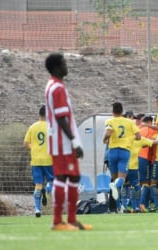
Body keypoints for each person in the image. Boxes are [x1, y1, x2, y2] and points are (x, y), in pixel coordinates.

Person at [44, 53, 91, 231]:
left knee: (73, 177)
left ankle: (71, 219)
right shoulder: (57, 88)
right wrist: (74, 141)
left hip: (61, 141)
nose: (66, 66)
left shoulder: (54, 86)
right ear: (56, 68)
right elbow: (62, 118)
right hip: (62, 142)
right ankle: (57, 221)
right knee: (62, 177)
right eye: (64, 63)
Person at [103, 102, 141, 211]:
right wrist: (129, 138)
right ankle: (119, 206)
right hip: (124, 151)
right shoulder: (129, 122)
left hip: (112, 151)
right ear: (122, 111)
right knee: (120, 180)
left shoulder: (109, 121)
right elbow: (138, 136)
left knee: (115, 180)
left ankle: (119, 207)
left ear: (112, 111)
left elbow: (108, 132)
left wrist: (104, 139)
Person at [23, 105, 54, 218]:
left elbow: (25, 143)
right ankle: (47, 191)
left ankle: (37, 209)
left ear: (39, 114)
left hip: (36, 160)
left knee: (38, 184)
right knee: (52, 181)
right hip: (49, 159)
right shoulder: (51, 127)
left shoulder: (32, 127)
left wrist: (34, 148)